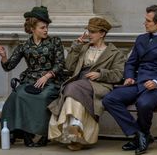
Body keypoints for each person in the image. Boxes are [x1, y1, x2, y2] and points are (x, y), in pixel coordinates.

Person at [102, 5, 157, 155]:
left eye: (148, 21)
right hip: (137, 83)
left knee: (143, 103)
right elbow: (131, 63)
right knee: (109, 99)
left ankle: (142, 136)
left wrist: (156, 82)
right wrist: (129, 77)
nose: (144, 23)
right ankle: (140, 135)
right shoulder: (141, 39)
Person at [48, 17, 126, 151]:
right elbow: (69, 67)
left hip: (99, 85)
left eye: (93, 32)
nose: (89, 34)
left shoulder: (115, 53)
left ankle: (74, 125)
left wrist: (101, 74)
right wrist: (76, 48)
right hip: (80, 82)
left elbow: (119, 74)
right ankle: (76, 132)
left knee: (71, 87)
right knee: (74, 91)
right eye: (88, 31)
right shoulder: (83, 48)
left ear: (102, 34)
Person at [0, 6, 65, 147]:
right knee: (18, 95)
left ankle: (44, 135)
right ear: (32, 28)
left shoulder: (55, 42)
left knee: (43, 97)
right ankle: (24, 134)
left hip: (51, 80)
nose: (46, 30)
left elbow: (60, 64)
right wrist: (3, 57)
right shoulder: (24, 46)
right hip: (30, 80)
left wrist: (47, 76)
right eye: (42, 27)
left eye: (46, 27)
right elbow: (8, 66)